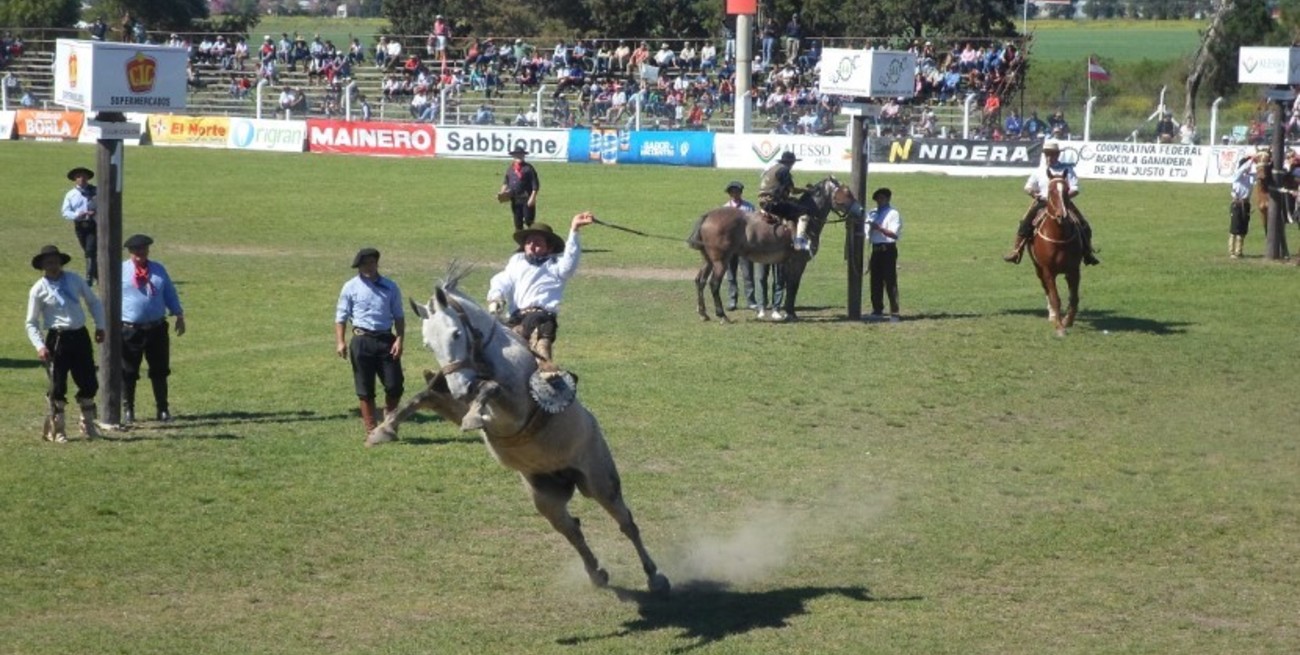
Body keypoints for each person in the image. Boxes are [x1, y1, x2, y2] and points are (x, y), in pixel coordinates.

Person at [486, 213, 596, 364]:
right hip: (515, 317)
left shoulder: (556, 267)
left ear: (549, 247)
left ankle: (546, 370)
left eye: (537, 242)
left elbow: (570, 261)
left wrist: (574, 229)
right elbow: (502, 280)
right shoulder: (516, 262)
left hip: (542, 318)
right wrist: (496, 297)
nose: (532, 246)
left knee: (536, 330)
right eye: (529, 242)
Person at [25, 245, 106, 443]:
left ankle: (87, 425)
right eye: (49, 262)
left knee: (88, 382)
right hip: (57, 339)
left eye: (56, 261)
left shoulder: (75, 279)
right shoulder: (38, 289)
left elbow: (93, 302)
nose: (53, 266)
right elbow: (31, 322)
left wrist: (100, 325)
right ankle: (58, 429)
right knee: (58, 385)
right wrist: (40, 346)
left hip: (79, 335)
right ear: (43, 265)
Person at [334, 248, 405, 438]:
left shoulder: (391, 286)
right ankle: (372, 429)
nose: (369, 267)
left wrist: (399, 339)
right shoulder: (350, 287)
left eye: (372, 262)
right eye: (365, 264)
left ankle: (389, 423)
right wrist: (340, 342)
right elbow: (341, 316)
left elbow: (398, 315)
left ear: (377, 263)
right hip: (361, 340)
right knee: (365, 387)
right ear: (359, 266)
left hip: (386, 340)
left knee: (395, 384)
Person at [120, 234, 185, 425]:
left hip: (156, 329)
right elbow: (110, 298)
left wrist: (178, 314)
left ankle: (163, 409)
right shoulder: (121, 271)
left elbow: (169, 293)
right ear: (130, 252)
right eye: (136, 250)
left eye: (143, 249)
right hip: (130, 330)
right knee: (128, 371)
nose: (140, 253)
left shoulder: (158, 269)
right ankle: (128, 410)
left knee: (160, 370)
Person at [1002, 140, 1100, 266]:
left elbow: (1075, 189)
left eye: (1052, 154)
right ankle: (1016, 251)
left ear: (1057, 155)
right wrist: (1032, 192)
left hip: (1064, 202)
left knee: (1083, 224)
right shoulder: (1039, 170)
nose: (1049, 157)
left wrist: (1062, 197)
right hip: (1044, 202)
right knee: (1025, 223)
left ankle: (1087, 253)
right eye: (1047, 154)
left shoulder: (1067, 169)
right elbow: (1028, 186)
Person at [758, 151, 811, 252]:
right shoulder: (784, 171)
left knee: (792, 206)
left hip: (763, 201)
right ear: (791, 162)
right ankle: (799, 241)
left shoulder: (773, 168)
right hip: (773, 202)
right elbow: (792, 190)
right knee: (804, 211)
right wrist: (806, 190)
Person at [864, 188, 903, 322]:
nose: (879, 201)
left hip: (888, 249)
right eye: (877, 199)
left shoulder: (893, 214)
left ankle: (894, 312)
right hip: (875, 249)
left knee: (890, 281)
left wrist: (878, 228)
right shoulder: (872, 213)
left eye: (882, 198)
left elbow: (894, 234)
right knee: (875, 281)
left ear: (887, 199)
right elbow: (866, 231)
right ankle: (877, 310)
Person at [721, 181, 757, 311]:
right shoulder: (725, 208)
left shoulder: (749, 207)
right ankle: (732, 300)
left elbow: (754, 226)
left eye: (736, 191)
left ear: (740, 192)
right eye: (732, 192)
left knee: (748, 274)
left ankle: (751, 301)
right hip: (730, 248)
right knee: (731, 275)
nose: (734, 194)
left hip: (744, 246)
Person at [60, 167, 99, 286]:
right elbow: (65, 212)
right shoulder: (70, 195)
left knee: (90, 251)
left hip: (94, 225)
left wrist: (95, 211)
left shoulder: (96, 191)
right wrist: (77, 214)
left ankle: (89, 278)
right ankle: (99, 275)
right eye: (78, 176)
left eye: (84, 176)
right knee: (87, 251)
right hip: (80, 226)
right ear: (74, 179)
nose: (81, 179)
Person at [499, 146, 540, 231]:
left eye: (520, 155)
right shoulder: (510, 169)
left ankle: (532, 239)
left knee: (529, 221)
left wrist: (532, 198)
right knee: (517, 222)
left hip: (526, 199)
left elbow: (535, 184)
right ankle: (520, 241)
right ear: (513, 157)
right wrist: (502, 193)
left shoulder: (528, 168)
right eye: (517, 155)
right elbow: (506, 182)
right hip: (515, 199)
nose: (519, 157)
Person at [1228, 155, 1257, 259]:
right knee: (1235, 228)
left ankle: (1239, 251)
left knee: (1243, 228)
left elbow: (1260, 172)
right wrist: (1251, 159)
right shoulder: (1237, 175)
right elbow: (1242, 169)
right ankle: (1232, 251)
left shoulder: (1250, 177)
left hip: (1246, 204)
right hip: (1237, 204)